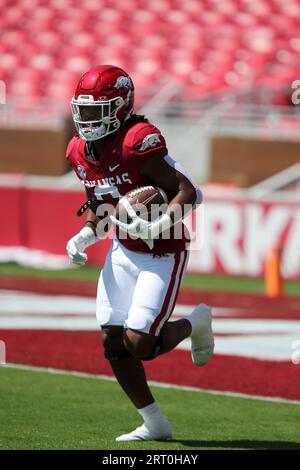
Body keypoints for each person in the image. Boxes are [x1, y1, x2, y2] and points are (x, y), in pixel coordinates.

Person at [66, 65, 214, 442]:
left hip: (163, 252)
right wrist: (84, 237)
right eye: (83, 110)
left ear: (121, 107)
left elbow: (190, 192)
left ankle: (195, 322)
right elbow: (101, 207)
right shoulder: (79, 151)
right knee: (112, 343)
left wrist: (158, 225)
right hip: (122, 250)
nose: (87, 119)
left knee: (141, 345)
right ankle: (154, 423)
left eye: (98, 110)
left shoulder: (138, 140)